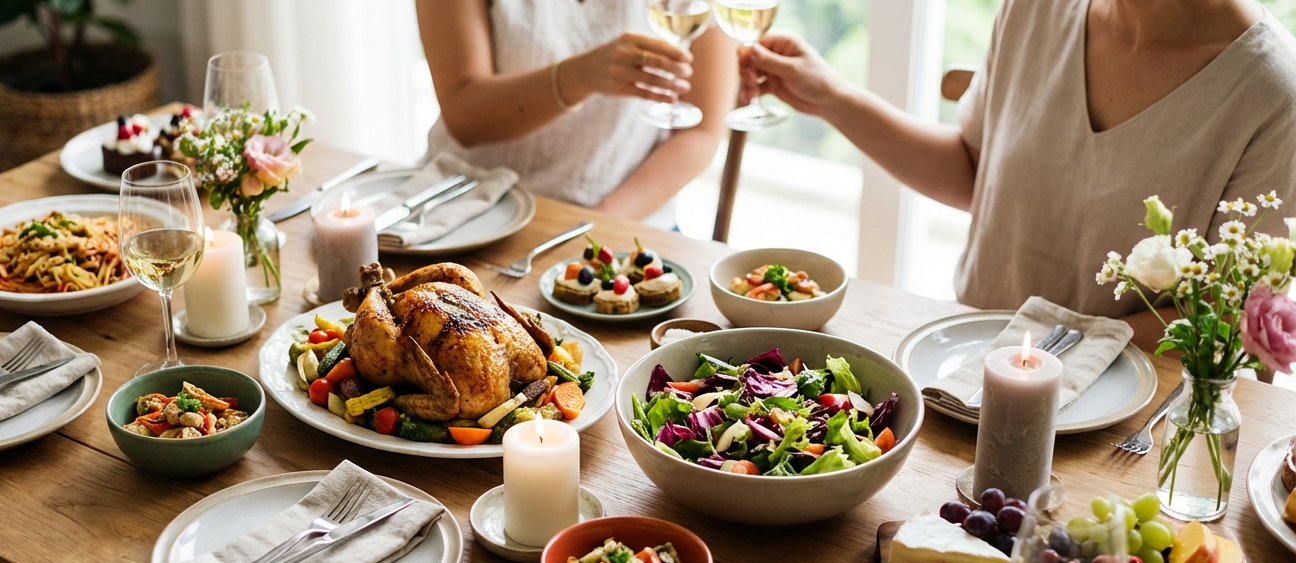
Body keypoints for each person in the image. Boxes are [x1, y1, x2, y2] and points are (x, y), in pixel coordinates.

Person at [739, 0, 1296, 349]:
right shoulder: (1034, 8)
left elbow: (1226, 323)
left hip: (1129, 430)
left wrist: (1037, 355)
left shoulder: (1273, 93)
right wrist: (832, 97)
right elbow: (975, 173)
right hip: (962, 374)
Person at [416, 0, 736, 230]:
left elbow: (702, 130)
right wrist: (580, 76)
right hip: (466, 215)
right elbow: (464, 115)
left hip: (624, 221)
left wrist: (598, 222)